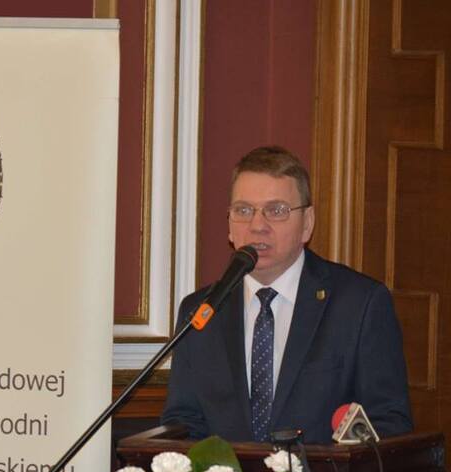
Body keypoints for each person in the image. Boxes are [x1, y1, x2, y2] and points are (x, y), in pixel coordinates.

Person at [161, 146, 413, 443]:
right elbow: (184, 422)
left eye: (277, 211)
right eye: (243, 210)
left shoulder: (360, 304)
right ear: (229, 225)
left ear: (307, 223)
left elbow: (389, 421)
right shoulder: (202, 311)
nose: (257, 226)